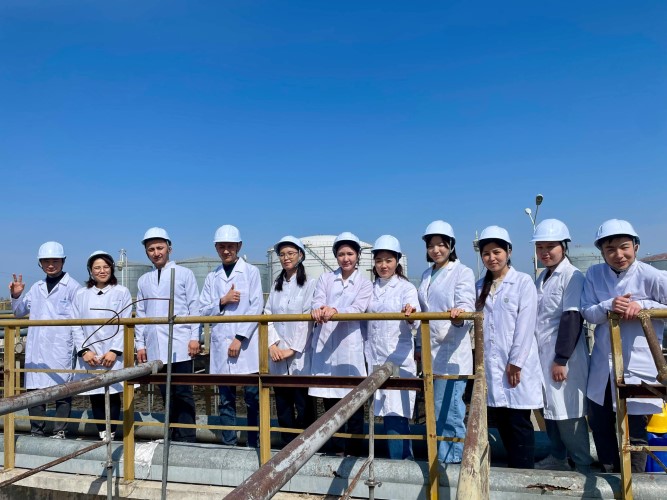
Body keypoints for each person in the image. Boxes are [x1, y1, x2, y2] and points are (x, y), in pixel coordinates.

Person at [582, 219, 667, 472]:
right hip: (603, 364)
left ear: (636, 247)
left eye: (624, 247)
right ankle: (610, 474)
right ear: (602, 252)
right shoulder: (594, 274)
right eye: (610, 249)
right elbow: (587, 312)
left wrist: (644, 306)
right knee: (601, 423)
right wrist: (609, 305)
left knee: (635, 429)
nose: (618, 255)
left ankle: (636, 481)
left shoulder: (652, 275)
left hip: (637, 365)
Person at [475, 225, 542, 469]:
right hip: (493, 365)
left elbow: (525, 325)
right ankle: (513, 473)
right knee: (501, 420)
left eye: (497, 252)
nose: (492, 258)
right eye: (486, 253)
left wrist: (516, 362)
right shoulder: (479, 285)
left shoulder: (523, 282)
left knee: (519, 421)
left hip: (515, 365)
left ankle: (524, 473)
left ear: (509, 252)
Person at [531, 219, 593, 473]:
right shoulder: (542, 277)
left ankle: (583, 464)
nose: (545, 252)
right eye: (540, 247)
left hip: (564, 357)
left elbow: (572, 317)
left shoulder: (572, 276)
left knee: (568, 412)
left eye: (551, 247)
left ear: (563, 247)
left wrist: (561, 359)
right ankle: (557, 457)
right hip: (543, 355)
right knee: (550, 411)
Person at [417, 221, 476, 464]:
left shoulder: (462, 272)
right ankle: (440, 458)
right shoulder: (426, 274)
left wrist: (459, 315)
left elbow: (467, 306)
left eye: (441, 244)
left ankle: (453, 462)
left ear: (451, 245)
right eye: (431, 246)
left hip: (452, 352)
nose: (436, 250)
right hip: (431, 352)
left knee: (450, 410)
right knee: (435, 408)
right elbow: (424, 309)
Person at [199, 225, 263, 448]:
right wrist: (222, 301)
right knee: (225, 401)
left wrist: (239, 338)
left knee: (253, 399)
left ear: (239, 246)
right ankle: (229, 445)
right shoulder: (212, 276)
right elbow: (203, 310)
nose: (226, 251)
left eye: (230, 246)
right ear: (216, 248)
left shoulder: (251, 272)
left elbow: (256, 307)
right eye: (222, 247)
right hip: (221, 348)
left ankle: (255, 444)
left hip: (245, 348)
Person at [9, 241, 82, 438]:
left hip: (61, 347)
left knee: (62, 389)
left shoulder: (73, 287)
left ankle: (60, 431)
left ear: (63, 261)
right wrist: (16, 295)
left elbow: (80, 319)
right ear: (40, 263)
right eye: (46, 261)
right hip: (37, 347)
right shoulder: (37, 287)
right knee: (34, 390)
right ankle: (37, 431)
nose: (51, 265)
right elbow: (18, 312)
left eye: (55, 261)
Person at [310, 232, 373, 456]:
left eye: (350, 254)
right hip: (326, 345)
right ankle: (336, 450)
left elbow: (358, 309)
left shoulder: (364, 283)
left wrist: (335, 310)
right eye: (341, 254)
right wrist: (318, 309)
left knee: (354, 402)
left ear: (357, 256)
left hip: (350, 347)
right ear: (336, 256)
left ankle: (354, 451)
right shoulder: (326, 279)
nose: (345, 258)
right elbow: (318, 299)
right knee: (330, 403)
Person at [135, 227, 200, 443]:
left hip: (180, 343)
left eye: (160, 248)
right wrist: (140, 344)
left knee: (183, 392)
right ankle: (171, 435)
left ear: (169, 248)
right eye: (151, 249)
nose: (156, 253)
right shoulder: (144, 280)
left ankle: (187, 438)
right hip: (155, 345)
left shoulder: (184, 274)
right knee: (165, 393)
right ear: (146, 252)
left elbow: (194, 307)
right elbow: (141, 313)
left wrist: (194, 337)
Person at [366, 235, 420, 460]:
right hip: (375, 356)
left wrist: (411, 313)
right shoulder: (370, 288)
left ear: (397, 261)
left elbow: (415, 319)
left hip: (397, 358)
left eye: (388, 260)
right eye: (379, 260)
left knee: (396, 411)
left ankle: (402, 463)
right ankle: (392, 461)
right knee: (380, 410)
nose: (383, 265)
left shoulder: (406, 288)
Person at [72, 251, 132, 440]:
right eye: (97, 267)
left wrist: (114, 350)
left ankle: (111, 433)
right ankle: (102, 434)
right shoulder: (81, 294)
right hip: (90, 354)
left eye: (106, 267)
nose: (102, 271)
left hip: (113, 353)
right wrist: (84, 351)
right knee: (95, 393)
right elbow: (75, 324)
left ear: (112, 268)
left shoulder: (121, 292)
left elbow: (125, 323)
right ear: (90, 271)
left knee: (113, 393)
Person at [264, 236, 317, 445]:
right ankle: (287, 445)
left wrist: (292, 349)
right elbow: (267, 315)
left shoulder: (310, 283)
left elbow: (307, 319)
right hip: (277, 354)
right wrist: (272, 345)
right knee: (283, 404)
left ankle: (307, 445)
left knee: (304, 404)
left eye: (291, 253)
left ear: (300, 255)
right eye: (282, 254)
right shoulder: (276, 285)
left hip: (299, 356)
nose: (286, 258)